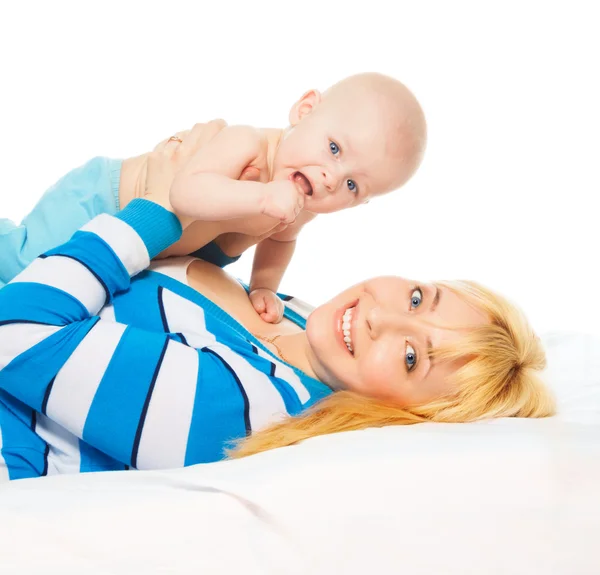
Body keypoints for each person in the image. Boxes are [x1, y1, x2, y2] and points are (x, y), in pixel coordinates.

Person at [0, 128, 554, 483]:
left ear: (409, 416)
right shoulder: (297, 322)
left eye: (412, 357)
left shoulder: (249, 405)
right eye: (417, 297)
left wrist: (159, 208)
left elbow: (16, 329)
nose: (380, 316)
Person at [0, 72, 427, 324]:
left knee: (65, 301)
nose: (332, 179)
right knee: (21, 265)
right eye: (334, 149)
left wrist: (264, 287)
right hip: (100, 200)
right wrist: (258, 198)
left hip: (135, 247)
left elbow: (281, 240)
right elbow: (186, 194)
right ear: (305, 110)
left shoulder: (298, 204)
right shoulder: (248, 145)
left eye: (353, 186)